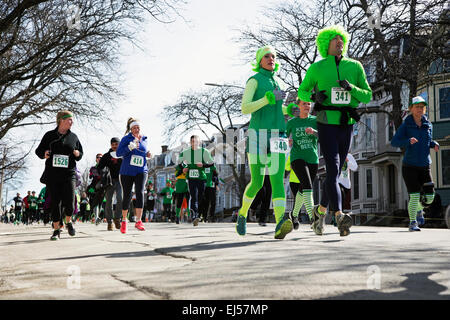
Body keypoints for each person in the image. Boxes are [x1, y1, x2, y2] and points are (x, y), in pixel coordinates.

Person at [297, 25, 372, 237]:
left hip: (346, 121)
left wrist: (351, 88)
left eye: (342, 40)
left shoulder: (355, 66)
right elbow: (302, 90)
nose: (339, 43)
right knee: (333, 166)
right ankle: (339, 215)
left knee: (336, 172)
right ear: (325, 44)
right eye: (334, 40)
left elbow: (367, 95)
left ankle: (319, 212)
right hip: (325, 121)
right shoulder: (317, 68)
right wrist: (314, 97)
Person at [236, 44, 293, 240]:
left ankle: (279, 224)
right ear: (260, 60)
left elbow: (278, 109)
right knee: (258, 182)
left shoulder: (279, 83)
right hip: (258, 135)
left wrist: (289, 109)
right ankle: (242, 214)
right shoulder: (254, 80)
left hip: (278, 135)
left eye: (274, 56)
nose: (271, 59)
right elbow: (245, 108)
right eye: (267, 56)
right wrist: (265, 100)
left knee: (277, 180)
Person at [391, 96, 439, 231]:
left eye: (422, 107)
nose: (419, 109)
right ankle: (413, 223)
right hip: (410, 166)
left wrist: (433, 144)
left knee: (430, 197)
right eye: (417, 107)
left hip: (424, 165)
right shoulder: (406, 125)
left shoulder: (428, 125)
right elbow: (395, 141)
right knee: (415, 195)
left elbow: (428, 142)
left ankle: (419, 209)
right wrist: (407, 141)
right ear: (411, 109)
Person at [35, 110, 83, 240]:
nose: (71, 122)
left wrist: (78, 154)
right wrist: (44, 153)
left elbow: (80, 153)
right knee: (55, 203)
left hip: (69, 173)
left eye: (72, 120)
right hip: (53, 174)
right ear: (61, 120)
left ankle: (68, 221)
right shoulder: (49, 135)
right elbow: (38, 151)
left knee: (70, 202)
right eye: (69, 119)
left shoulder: (74, 137)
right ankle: (56, 230)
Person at [286, 99, 320, 234]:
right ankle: (314, 218)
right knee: (307, 187)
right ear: (298, 106)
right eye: (304, 104)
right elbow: (281, 135)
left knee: (302, 189)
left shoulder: (315, 121)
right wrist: (286, 140)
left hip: (312, 158)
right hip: (297, 157)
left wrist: (314, 132)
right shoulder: (292, 122)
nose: (307, 106)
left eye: (309, 104)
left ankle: (294, 215)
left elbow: (323, 136)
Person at [116, 118, 151, 233]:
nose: (137, 129)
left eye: (138, 128)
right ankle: (124, 221)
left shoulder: (144, 139)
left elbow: (143, 152)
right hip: (127, 171)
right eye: (134, 128)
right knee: (127, 195)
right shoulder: (126, 139)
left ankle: (139, 221)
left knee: (140, 192)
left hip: (141, 170)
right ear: (130, 129)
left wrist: (148, 154)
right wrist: (129, 147)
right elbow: (118, 153)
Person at [178, 135, 214, 226]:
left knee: (200, 197)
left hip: (202, 178)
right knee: (193, 197)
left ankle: (199, 214)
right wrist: (184, 168)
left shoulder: (204, 151)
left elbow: (211, 163)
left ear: (199, 142)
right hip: (191, 178)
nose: (194, 143)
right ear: (190, 142)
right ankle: (195, 216)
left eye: (196, 141)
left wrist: (203, 165)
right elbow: (180, 163)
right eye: (193, 141)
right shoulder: (186, 152)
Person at [98, 137, 123, 231]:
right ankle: (109, 222)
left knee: (121, 198)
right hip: (110, 181)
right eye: (113, 144)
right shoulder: (106, 156)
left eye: (116, 144)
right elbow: (99, 167)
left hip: (120, 180)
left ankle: (117, 218)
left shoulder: (123, 155)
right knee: (109, 201)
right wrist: (104, 172)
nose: (114, 146)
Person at [285, 153, 302, 230]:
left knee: (301, 198)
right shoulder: (292, 155)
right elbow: (287, 167)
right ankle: (296, 217)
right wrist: (291, 166)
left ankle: (294, 215)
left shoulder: (306, 154)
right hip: (294, 181)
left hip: (303, 180)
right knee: (297, 198)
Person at [87, 153, 104, 225]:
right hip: (93, 186)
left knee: (100, 202)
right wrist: (92, 174)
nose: (99, 158)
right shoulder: (93, 168)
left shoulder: (105, 167)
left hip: (102, 186)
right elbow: (90, 177)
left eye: (101, 157)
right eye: (98, 157)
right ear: (96, 159)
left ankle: (97, 216)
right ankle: (95, 216)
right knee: (92, 198)